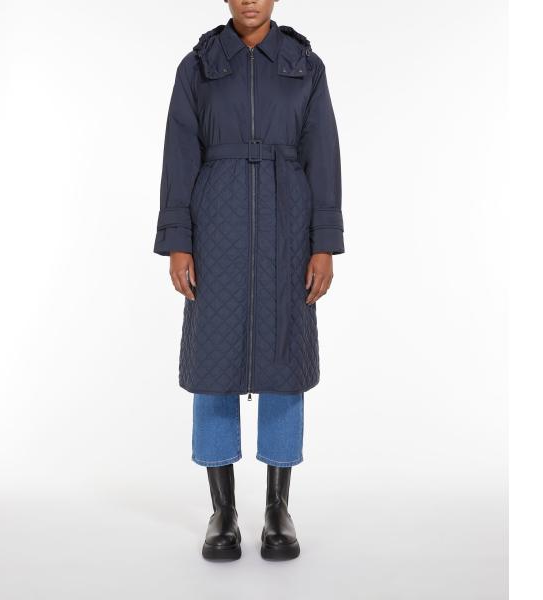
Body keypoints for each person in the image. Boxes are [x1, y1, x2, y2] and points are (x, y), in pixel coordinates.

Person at [153, 0, 344, 561]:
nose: (249, 1)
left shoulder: (304, 65)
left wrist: (324, 243)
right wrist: (178, 240)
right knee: (212, 367)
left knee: (285, 363)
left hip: (289, 225)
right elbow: (179, 154)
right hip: (216, 225)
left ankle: (278, 507)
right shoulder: (198, 65)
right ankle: (223, 511)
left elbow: (324, 156)